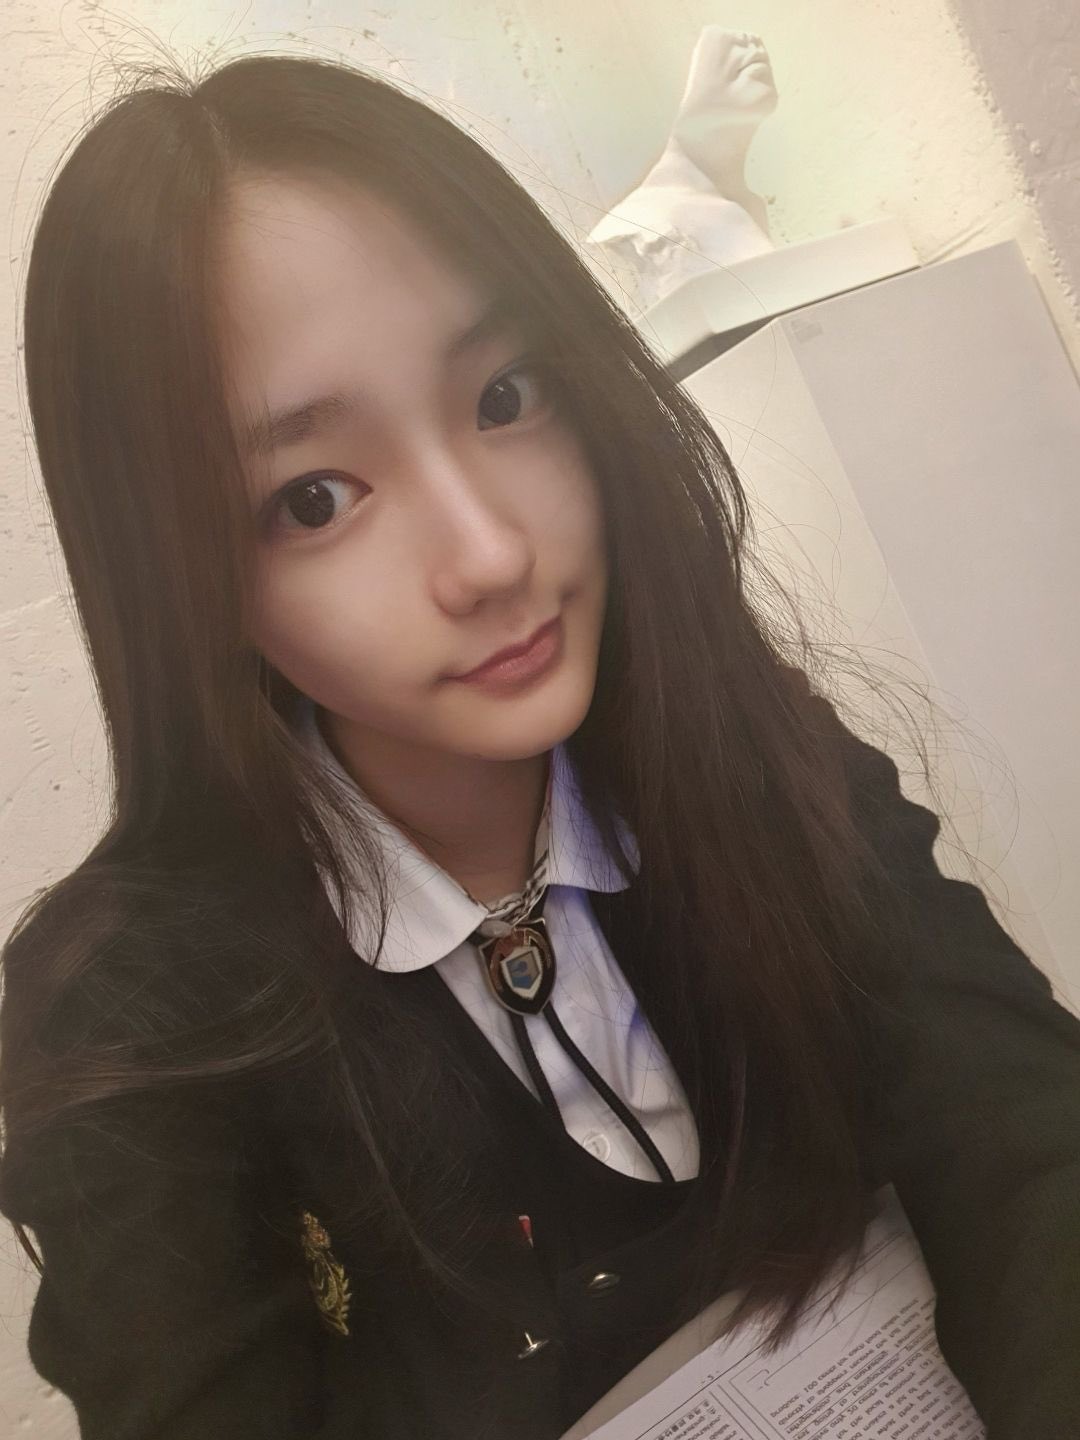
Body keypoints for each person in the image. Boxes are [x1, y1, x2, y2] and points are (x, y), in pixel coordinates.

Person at [0, 50, 1077, 1440]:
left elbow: (1028, 1148)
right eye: (315, 498)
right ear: (181, 580)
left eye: (506, 397)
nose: (492, 554)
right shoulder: (134, 1020)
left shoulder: (733, 739)